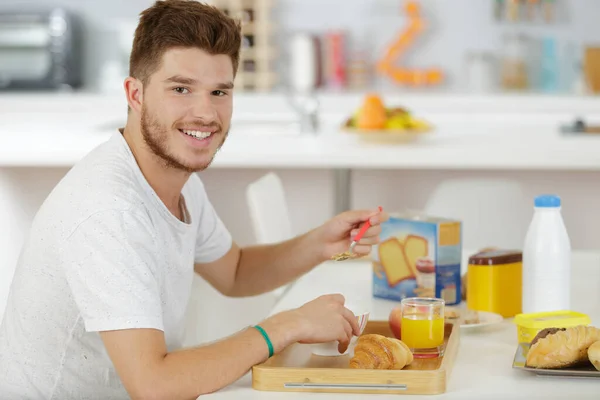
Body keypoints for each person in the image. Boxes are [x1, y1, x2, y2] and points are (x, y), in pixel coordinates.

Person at [0, 1, 387, 399]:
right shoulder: (109, 209)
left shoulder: (174, 177)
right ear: (135, 93)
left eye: (219, 91)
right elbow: (154, 384)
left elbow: (234, 272)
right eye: (181, 88)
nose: (205, 112)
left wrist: (320, 243)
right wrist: (286, 326)